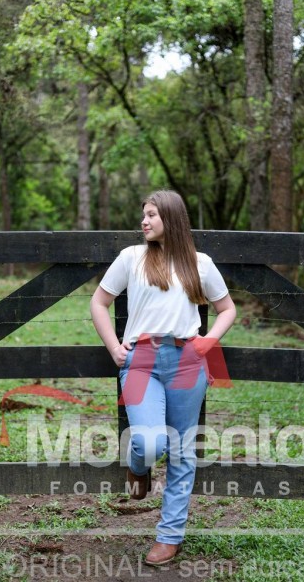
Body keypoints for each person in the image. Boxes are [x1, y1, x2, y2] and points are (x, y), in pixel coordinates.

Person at [90, 189, 236, 566]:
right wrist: (113, 347)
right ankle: (138, 468)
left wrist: (208, 342)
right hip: (140, 361)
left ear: (171, 217)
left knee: (183, 452)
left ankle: (169, 536)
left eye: (152, 214)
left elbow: (227, 309)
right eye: (144, 214)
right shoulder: (131, 258)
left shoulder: (200, 264)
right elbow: (99, 302)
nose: (144, 221)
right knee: (150, 442)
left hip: (187, 361)